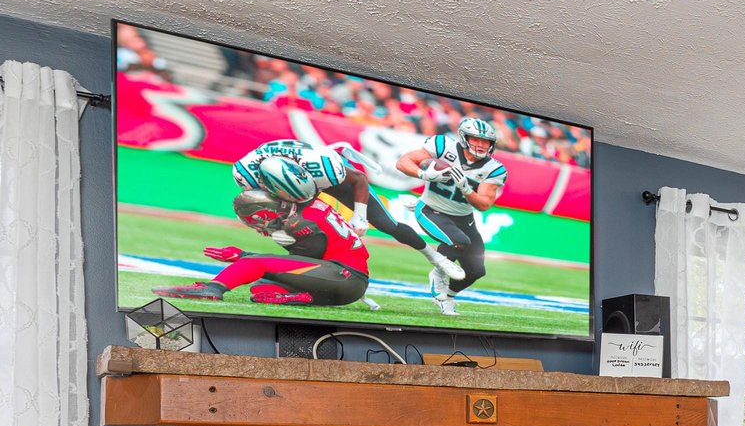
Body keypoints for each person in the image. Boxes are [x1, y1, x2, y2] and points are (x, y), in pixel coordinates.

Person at [232, 137, 464, 283]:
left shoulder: (323, 167)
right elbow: (256, 210)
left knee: (386, 224)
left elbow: (359, 179)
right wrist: (272, 230)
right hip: (288, 182)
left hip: (321, 172)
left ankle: (436, 258)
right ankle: (311, 276)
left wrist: (360, 216)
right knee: (292, 229)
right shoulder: (246, 174)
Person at [156, 157, 371, 306]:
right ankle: (302, 297)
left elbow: (308, 259)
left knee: (254, 265)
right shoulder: (311, 204)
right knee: (261, 288)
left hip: (343, 276)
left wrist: (243, 256)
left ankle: (212, 289)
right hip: (342, 283)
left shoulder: (298, 221)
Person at [394, 117, 507, 316]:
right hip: (430, 209)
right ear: (464, 138)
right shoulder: (443, 146)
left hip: (464, 218)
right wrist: (424, 174)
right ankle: (438, 273)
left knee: (476, 270)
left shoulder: (493, 168)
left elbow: (484, 204)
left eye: (486, 141)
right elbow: (403, 162)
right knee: (459, 241)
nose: (481, 145)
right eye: (476, 139)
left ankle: (445, 298)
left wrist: (466, 189)